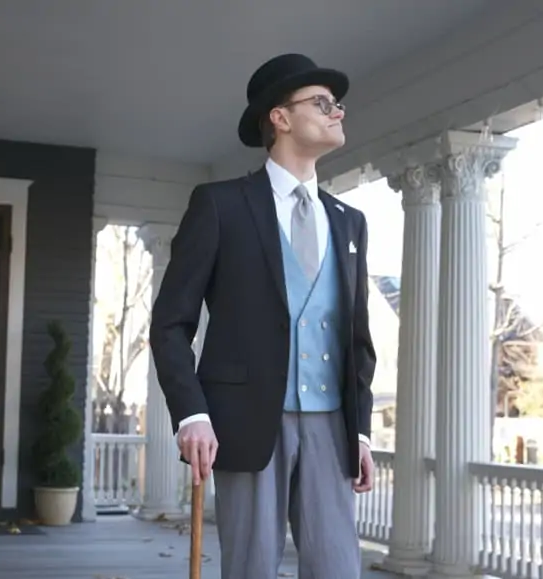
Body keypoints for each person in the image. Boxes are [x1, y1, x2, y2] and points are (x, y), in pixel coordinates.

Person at [148, 53, 377, 579]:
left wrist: (360, 431)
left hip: (331, 424)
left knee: (338, 569)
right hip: (247, 424)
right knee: (250, 568)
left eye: (337, 103)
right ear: (279, 117)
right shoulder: (220, 205)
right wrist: (192, 414)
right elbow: (170, 323)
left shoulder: (348, 222)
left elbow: (357, 341)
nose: (337, 111)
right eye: (322, 102)